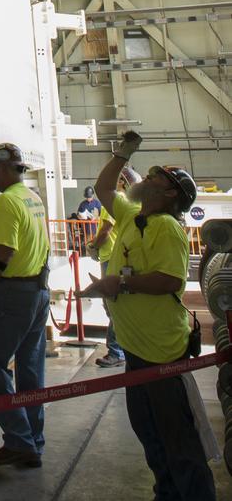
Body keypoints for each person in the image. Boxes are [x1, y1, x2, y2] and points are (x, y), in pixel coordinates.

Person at [79, 131, 215, 500]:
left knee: (178, 437)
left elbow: (170, 279)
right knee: (149, 431)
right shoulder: (130, 215)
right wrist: (122, 154)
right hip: (137, 350)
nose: (147, 179)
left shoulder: (167, 227)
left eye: (157, 178)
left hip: (163, 352)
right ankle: (167, 493)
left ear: (170, 194)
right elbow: (105, 187)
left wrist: (119, 286)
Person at [0, 142, 50, 469]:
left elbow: (4, 251)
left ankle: (19, 440)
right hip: (37, 292)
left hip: (11, 296)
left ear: (2, 169)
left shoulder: (6, 205)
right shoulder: (31, 198)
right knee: (31, 372)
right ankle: (33, 442)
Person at [87, 166, 140, 368]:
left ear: (121, 182)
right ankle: (123, 348)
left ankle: (116, 351)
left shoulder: (116, 201)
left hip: (111, 258)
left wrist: (93, 246)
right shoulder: (132, 202)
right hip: (118, 257)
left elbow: (106, 231)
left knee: (113, 305)